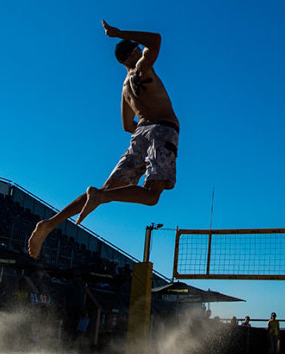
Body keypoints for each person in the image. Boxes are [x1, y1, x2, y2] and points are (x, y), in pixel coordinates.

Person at [28, 20, 180, 258]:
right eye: (137, 49)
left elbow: (126, 125)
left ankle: (50, 223)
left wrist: (145, 134)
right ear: (133, 53)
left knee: (104, 190)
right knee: (151, 196)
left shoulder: (124, 89)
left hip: (140, 133)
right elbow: (156, 39)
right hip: (162, 129)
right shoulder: (142, 67)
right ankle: (101, 196)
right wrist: (119, 33)